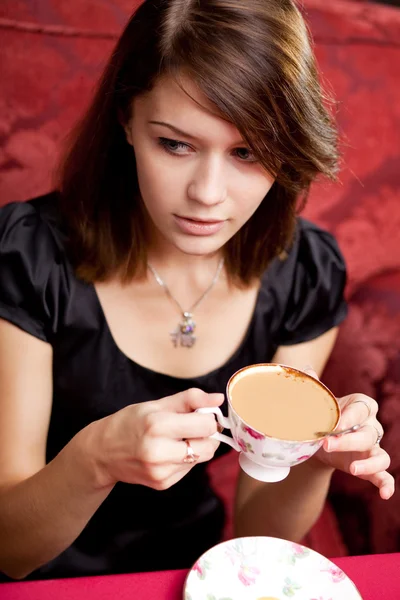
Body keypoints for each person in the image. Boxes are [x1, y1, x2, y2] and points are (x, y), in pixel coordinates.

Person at [0, 0, 394, 582]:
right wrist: (97, 457)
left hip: (198, 569)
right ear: (126, 120)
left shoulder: (305, 271)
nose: (208, 194)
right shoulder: (27, 256)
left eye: (247, 152)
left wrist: (314, 463)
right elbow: (9, 552)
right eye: (176, 145)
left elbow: (258, 539)